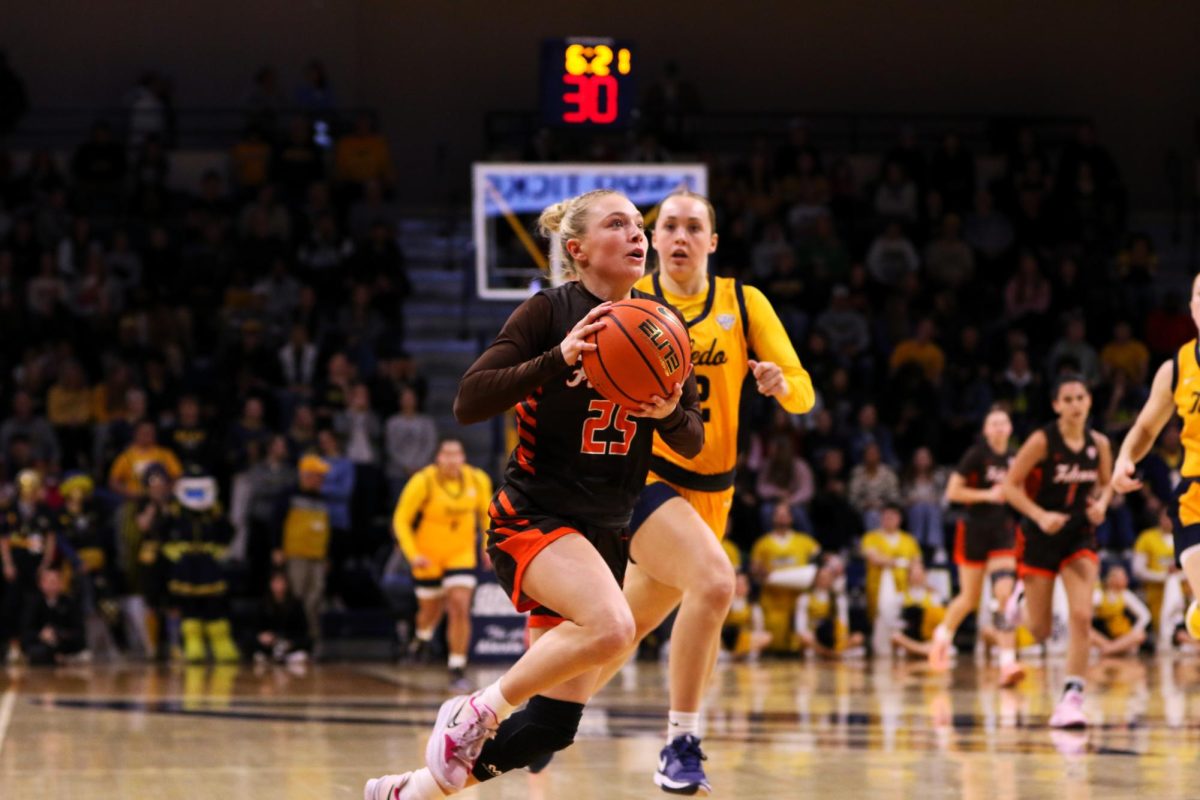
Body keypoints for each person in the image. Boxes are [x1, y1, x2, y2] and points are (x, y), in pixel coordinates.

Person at [364, 188, 702, 800]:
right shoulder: (548, 312)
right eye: (618, 224)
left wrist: (670, 410)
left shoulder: (662, 326)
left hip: (607, 531)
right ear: (576, 249)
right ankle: (473, 710)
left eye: (638, 225)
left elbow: (693, 440)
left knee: (550, 727)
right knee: (613, 627)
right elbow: (470, 401)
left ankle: (408, 793)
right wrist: (556, 359)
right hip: (535, 518)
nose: (638, 235)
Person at [1003, 374, 1112, 728]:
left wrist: (1102, 505)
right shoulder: (1041, 442)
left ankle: (1071, 697)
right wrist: (1039, 514)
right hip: (1039, 536)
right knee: (1039, 631)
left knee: (1082, 616)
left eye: (1081, 397)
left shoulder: (1100, 444)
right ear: (1056, 405)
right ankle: (1021, 601)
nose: (1075, 405)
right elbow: (1009, 487)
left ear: (1089, 401)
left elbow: (1108, 487)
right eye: (1067, 399)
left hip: (1079, 534)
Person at [1111, 273, 1200, 649]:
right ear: (1192, 306)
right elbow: (1146, 428)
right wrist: (1124, 459)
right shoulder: (1177, 367)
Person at [928, 408, 1023, 687]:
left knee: (1004, 596)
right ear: (985, 430)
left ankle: (1007, 662)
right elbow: (952, 492)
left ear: (1010, 428)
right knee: (969, 599)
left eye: (1003, 422)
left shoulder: (1015, 459)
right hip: (973, 531)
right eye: (993, 423)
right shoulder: (976, 456)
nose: (999, 427)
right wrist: (987, 494)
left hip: (1003, 533)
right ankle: (942, 636)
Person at [392, 437, 492, 688]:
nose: (451, 459)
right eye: (446, 454)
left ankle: (457, 665)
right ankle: (421, 638)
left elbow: (487, 516)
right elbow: (401, 520)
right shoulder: (423, 481)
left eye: (456, 453)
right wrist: (413, 554)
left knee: (459, 605)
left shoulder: (477, 479)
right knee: (430, 611)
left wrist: (487, 546)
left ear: (463, 457)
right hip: (428, 556)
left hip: (461, 554)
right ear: (438, 458)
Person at [749, 504, 821, 654]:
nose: (782, 517)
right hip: (772, 600)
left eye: (785, 514)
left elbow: (819, 561)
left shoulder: (805, 541)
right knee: (772, 645)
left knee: (798, 643)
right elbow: (754, 569)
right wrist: (758, 571)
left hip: (797, 598)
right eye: (778, 514)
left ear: (791, 518)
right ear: (773, 517)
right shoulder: (762, 543)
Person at [860, 504, 921, 622]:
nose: (889, 520)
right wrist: (900, 562)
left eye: (892, 517)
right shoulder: (870, 537)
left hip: (904, 588)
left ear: (899, 519)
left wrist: (913, 569)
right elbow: (874, 558)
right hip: (878, 587)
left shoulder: (909, 540)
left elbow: (916, 563)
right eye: (886, 517)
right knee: (879, 621)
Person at [20, 567, 84, 665]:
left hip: (64, 645)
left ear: (61, 583)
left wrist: (58, 634)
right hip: (40, 645)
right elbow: (25, 630)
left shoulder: (70, 603)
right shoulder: (32, 603)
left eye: (55, 581)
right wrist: (41, 634)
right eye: (49, 581)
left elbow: (78, 630)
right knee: (37, 651)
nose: (52, 585)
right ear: (41, 584)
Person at [251, 570, 312, 665]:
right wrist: (262, 636)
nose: (278, 586)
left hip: (289, 643)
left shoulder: (296, 604)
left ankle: (283, 657)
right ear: (270, 584)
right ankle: (272, 657)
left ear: (287, 584)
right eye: (275, 582)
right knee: (255, 646)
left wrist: (290, 642)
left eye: (281, 582)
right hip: (270, 644)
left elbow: (303, 631)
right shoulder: (263, 604)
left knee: (306, 644)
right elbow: (256, 629)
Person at [1090, 562, 1150, 657]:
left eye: (1125, 577)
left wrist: (1134, 630)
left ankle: (1109, 649)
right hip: (1104, 636)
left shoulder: (1125, 595)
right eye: (1121, 577)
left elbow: (1145, 615)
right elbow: (1088, 615)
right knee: (1088, 632)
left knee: (1140, 634)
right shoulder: (1099, 595)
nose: (1126, 579)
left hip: (1122, 636)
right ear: (1111, 579)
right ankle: (1114, 649)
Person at [1132, 507, 1176, 633]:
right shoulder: (1147, 537)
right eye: (1166, 517)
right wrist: (1163, 576)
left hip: (1182, 591)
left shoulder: (1185, 538)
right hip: (1153, 591)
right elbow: (1138, 570)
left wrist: (1177, 575)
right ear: (1159, 518)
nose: (1169, 520)